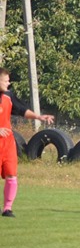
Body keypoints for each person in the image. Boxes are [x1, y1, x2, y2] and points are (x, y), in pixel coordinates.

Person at [0, 68, 55, 218]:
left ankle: (7, 208)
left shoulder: (8, 96)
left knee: (12, 175)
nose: (8, 83)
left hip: (8, 144)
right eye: (5, 80)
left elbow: (22, 110)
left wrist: (39, 117)